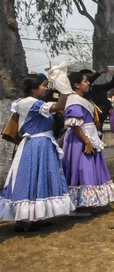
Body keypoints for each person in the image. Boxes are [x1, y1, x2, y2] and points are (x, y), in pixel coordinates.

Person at [0, 75, 74, 231]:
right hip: (38, 145)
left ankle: (36, 217)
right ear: (33, 88)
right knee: (32, 179)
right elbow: (59, 106)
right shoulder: (29, 103)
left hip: (40, 145)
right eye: (43, 85)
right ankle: (25, 219)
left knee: (38, 179)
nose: (45, 88)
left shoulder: (28, 103)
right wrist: (64, 89)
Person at [62, 71, 114, 212]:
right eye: (85, 81)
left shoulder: (81, 99)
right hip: (80, 139)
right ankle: (79, 204)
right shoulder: (74, 100)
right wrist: (86, 141)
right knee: (81, 169)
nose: (88, 83)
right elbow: (75, 124)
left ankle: (87, 201)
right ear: (76, 85)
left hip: (87, 136)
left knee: (88, 168)